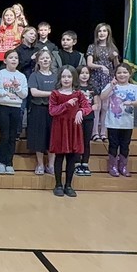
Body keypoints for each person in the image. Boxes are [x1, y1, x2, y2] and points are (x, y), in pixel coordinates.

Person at [49, 66, 93, 198]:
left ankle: (68, 185)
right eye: (63, 77)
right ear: (60, 78)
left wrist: (80, 111)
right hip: (60, 128)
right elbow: (52, 111)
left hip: (73, 128)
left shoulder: (78, 94)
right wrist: (67, 104)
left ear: (73, 78)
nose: (66, 79)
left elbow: (87, 107)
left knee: (72, 158)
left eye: (69, 76)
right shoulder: (55, 94)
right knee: (59, 156)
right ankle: (58, 185)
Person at [100, 64, 137, 177]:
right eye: (119, 72)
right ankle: (113, 166)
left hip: (127, 123)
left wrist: (132, 103)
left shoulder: (134, 87)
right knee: (113, 145)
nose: (122, 75)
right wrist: (111, 86)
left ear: (129, 74)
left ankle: (123, 166)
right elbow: (102, 97)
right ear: (115, 74)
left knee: (125, 145)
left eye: (125, 72)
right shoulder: (111, 86)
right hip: (113, 123)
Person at [0, 51, 28, 174]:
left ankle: (9, 162)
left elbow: (24, 94)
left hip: (16, 107)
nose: (14, 60)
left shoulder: (21, 76)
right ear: (5, 60)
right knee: (5, 135)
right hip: (3, 106)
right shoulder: (0, 74)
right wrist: (5, 93)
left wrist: (17, 87)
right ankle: (0, 162)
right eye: (11, 57)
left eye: (16, 58)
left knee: (13, 136)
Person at [86, 23, 120, 142]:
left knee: (105, 106)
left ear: (108, 33)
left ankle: (103, 132)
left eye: (104, 31)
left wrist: (116, 58)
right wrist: (100, 66)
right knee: (97, 106)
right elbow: (89, 64)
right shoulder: (92, 47)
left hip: (108, 79)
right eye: (99, 31)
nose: (102, 33)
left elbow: (116, 66)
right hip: (95, 78)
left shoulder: (112, 48)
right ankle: (94, 132)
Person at [27, 50, 58, 175]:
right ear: (38, 61)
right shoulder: (34, 75)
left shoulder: (56, 76)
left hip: (54, 110)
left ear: (51, 60)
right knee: (38, 137)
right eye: (42, 58)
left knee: (52, 137)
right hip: (38, 109)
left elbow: (61, 91)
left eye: (47, 58)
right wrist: (52, 94)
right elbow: (34, 92)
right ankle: (40, 164)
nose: (45, 60)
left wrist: (54, 95)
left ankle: (51, 164)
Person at [74, 66, 99, 176]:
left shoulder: (92, 87)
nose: (84, 75)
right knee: (76, 140)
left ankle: (85, 163)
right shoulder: (75, 87)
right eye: (82, 73)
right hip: (77, 118)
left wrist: (90, 108)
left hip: (89, 117)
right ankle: (76, 163)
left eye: (86, 73)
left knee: (86, 141)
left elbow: (97, 104)